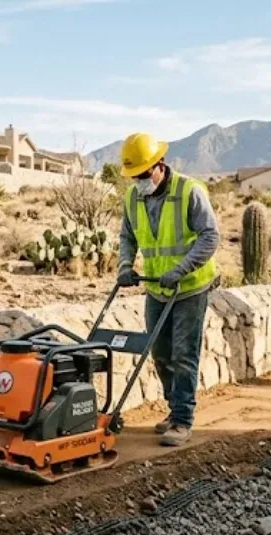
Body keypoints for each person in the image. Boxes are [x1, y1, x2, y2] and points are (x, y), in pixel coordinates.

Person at [116, 132, 220, 447]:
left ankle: (183, 420)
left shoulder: (190, 191)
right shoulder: (133, 198)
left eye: (143, 174)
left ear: (160, 165)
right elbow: (127, 236)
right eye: (134, 176)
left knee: (183, 354)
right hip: (157, 289)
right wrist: (124, 266)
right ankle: (174, 409)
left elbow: (209, 236)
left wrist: (181, 269)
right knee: (160, 353)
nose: (139, 181)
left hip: (189, 287)